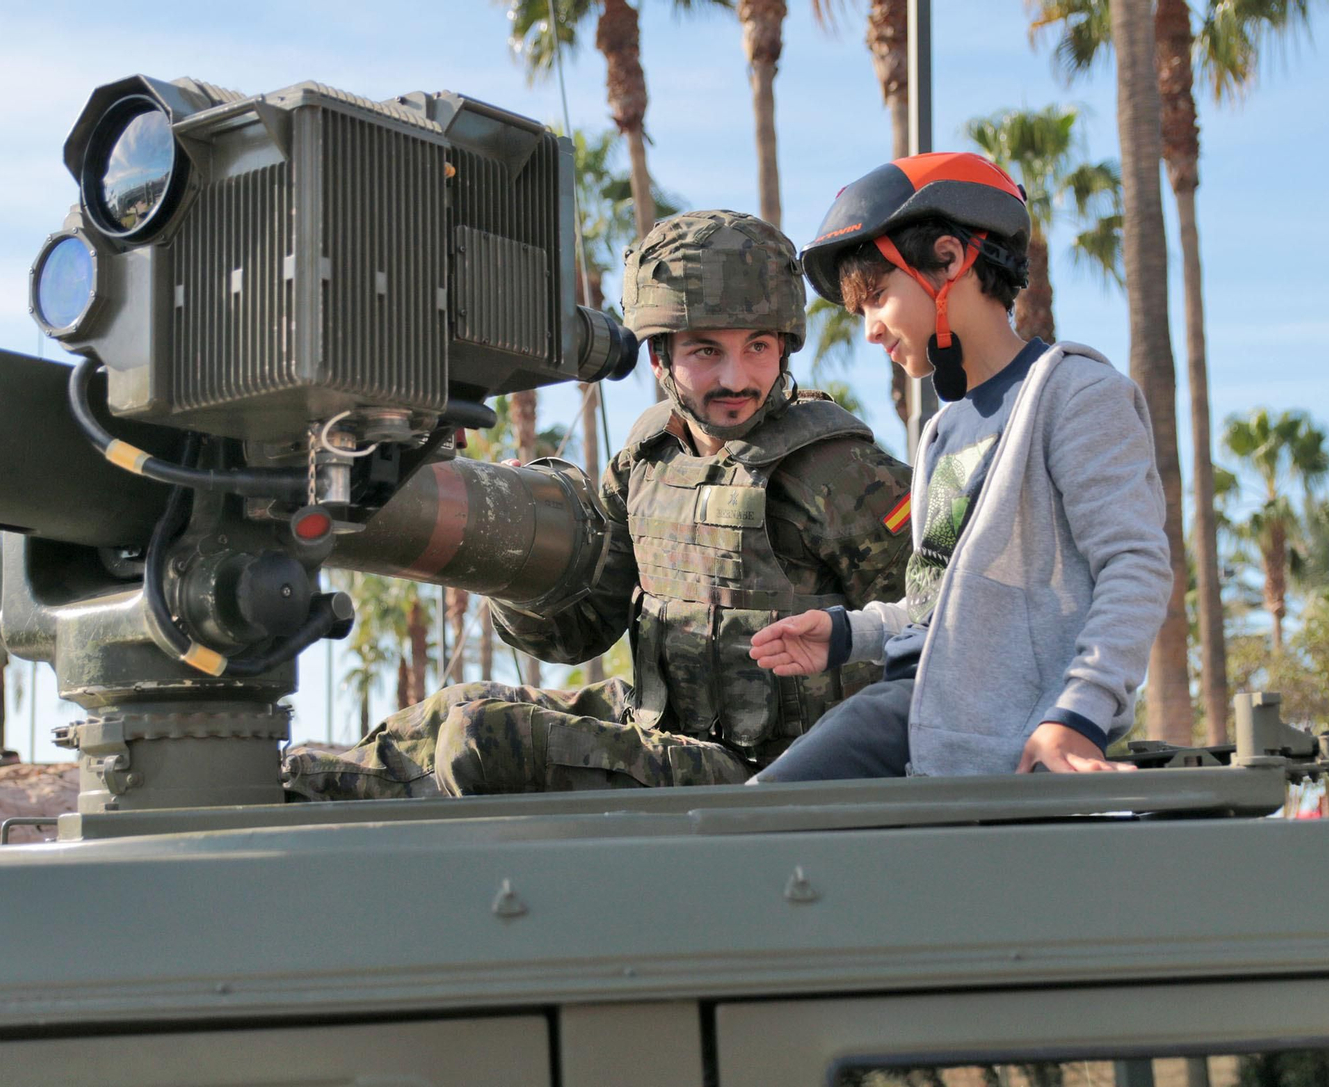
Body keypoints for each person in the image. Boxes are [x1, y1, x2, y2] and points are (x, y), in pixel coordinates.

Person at [285, 210, 911, 799]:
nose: (736, 379)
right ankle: (282, 790)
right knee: (444, 713)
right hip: (665, 731)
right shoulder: (646, 458)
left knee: (484, 739)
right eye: (705, 351)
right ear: (661, 356)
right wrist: (507, 557)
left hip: (779, 774)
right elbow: (581, 631)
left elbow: (941, 620)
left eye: (758, 347)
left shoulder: (838, 470)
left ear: (784, 346)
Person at [748, 153, 1172, 781]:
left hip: (988, 728)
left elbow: (1135, 565)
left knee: (743, 829)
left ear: (949, 260)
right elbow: (936, 600)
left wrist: (1078, 716)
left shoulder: (1075, 394)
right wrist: (846, 634)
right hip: (917, 713)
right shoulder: (946, 431)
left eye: (877, 298)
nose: (868, 331)